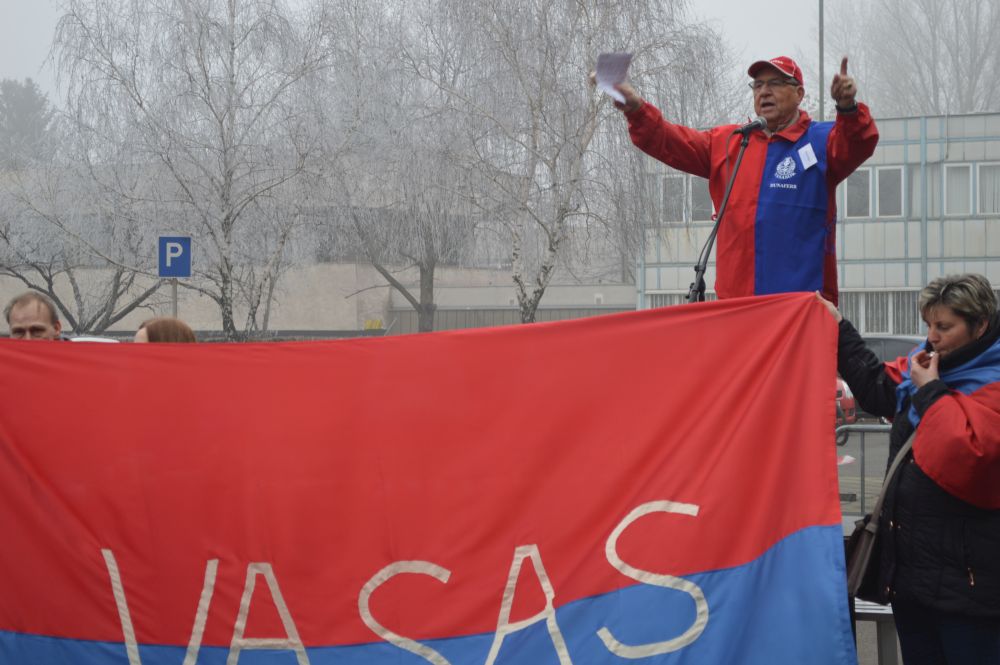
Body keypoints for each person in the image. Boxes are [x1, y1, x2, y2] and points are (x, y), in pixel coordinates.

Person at [818, 274, 1000, 664]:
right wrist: (839, 328)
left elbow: (968, 455)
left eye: (944, 327)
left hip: (970, 591)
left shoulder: (988, 380)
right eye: (929, 324)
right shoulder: (928, 364)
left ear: (980, 325)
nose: (932, 337)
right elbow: (876, 389)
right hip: (912, 581)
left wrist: (930, 391)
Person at [608, 56, 879, 304]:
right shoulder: (731, 142)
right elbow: (670, 141)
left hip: (802, 308)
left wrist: (847, 108)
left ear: (799, 94)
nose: (764, 91)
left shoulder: (821, 141)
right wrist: (637, 110)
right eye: (758, 85)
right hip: (737, 308)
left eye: (775, 83)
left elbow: (858, 142)